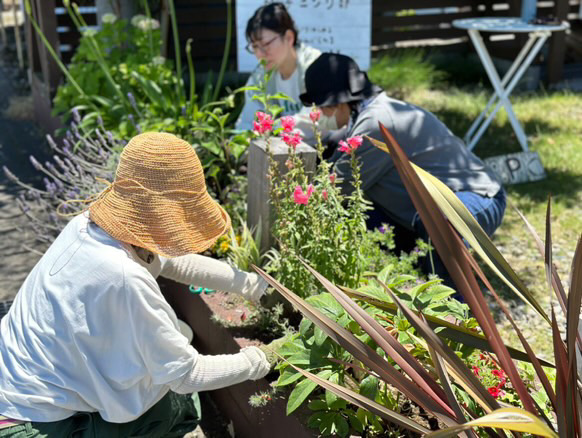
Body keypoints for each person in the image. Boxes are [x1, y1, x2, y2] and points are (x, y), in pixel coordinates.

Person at [0, 132, 272, 437]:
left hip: (15, 382)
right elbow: (187, 374)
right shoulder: (124, 277)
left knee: (166, 352)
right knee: (176, 406)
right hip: (30, 425)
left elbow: (174, 262)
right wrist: (262, 360)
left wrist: (252, 285)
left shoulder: (87, 226)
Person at [300, 53, 506, 282]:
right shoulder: (372, 113)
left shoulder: (376, 124)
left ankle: (456, 308)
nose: (319, 116)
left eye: (321, 109)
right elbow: (341, 144)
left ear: (338, 103)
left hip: (478, 197)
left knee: (441, 225)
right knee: (370, 217)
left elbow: (337, 189)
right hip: (429, 208)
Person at [235, 2, 324, 143]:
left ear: (289, 37)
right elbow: (246, 124)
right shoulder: (261, 76)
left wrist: (272, 128)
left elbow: (321, 118)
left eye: (265, 44)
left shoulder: (315, 66)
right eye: (255, 47)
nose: (260, 54)